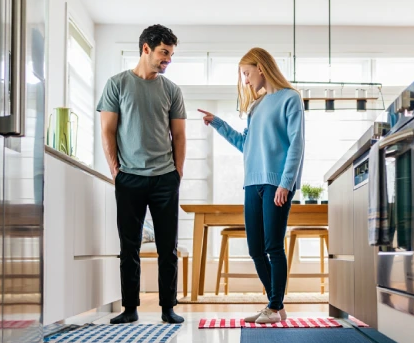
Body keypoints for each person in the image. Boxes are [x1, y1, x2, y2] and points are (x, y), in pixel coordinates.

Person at [198, 47, 305, 324]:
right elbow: (246, 145)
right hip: (252, 183)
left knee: (273, 246)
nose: (245, 80)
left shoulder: (290, 98)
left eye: (247, 73)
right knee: (255, 249)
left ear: (261, 67)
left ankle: (274, 306)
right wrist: (218, 124)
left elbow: (296, 144)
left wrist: (286, 183)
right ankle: (276, 306)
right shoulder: (256, 106)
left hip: (276, 183)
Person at [97, 24, 186, 324]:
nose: (168, 60)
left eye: (170, 55)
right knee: (129, 247)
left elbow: (179, 135)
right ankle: (130, 309)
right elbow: (107, 131)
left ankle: (168, 308)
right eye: (164, 53)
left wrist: (177, 173)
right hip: (129, 178)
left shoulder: (172, 90)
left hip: (165, 178)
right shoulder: (117, 84)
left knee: (167, 248)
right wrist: (115, 170)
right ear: (146, 48)